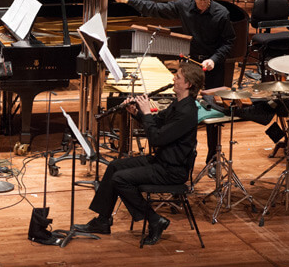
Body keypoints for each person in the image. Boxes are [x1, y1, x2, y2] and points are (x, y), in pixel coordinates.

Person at [113, 0, 236, 171]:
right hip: (191, 65)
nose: (203, 3)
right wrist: (127, 0)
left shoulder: (221, 14)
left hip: (213, 66)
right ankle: (177, 155)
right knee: (183, 108)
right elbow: (155, 9)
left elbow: (229, 42)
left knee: (213, 113)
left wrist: (213, 59)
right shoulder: (184, 5)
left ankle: (213, 160)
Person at [74, 62, 205, 245]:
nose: (173, 79)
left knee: (120, 179)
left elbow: (157, 139)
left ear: (188, 84)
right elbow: (158, 122)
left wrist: (147, 113)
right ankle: (102, 221)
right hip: (161, 161)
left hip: (171, 170)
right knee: (114, 166)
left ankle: (154, 220)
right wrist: (136, 113)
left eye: (178, 77)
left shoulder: (187, 112)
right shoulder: (178, 104)